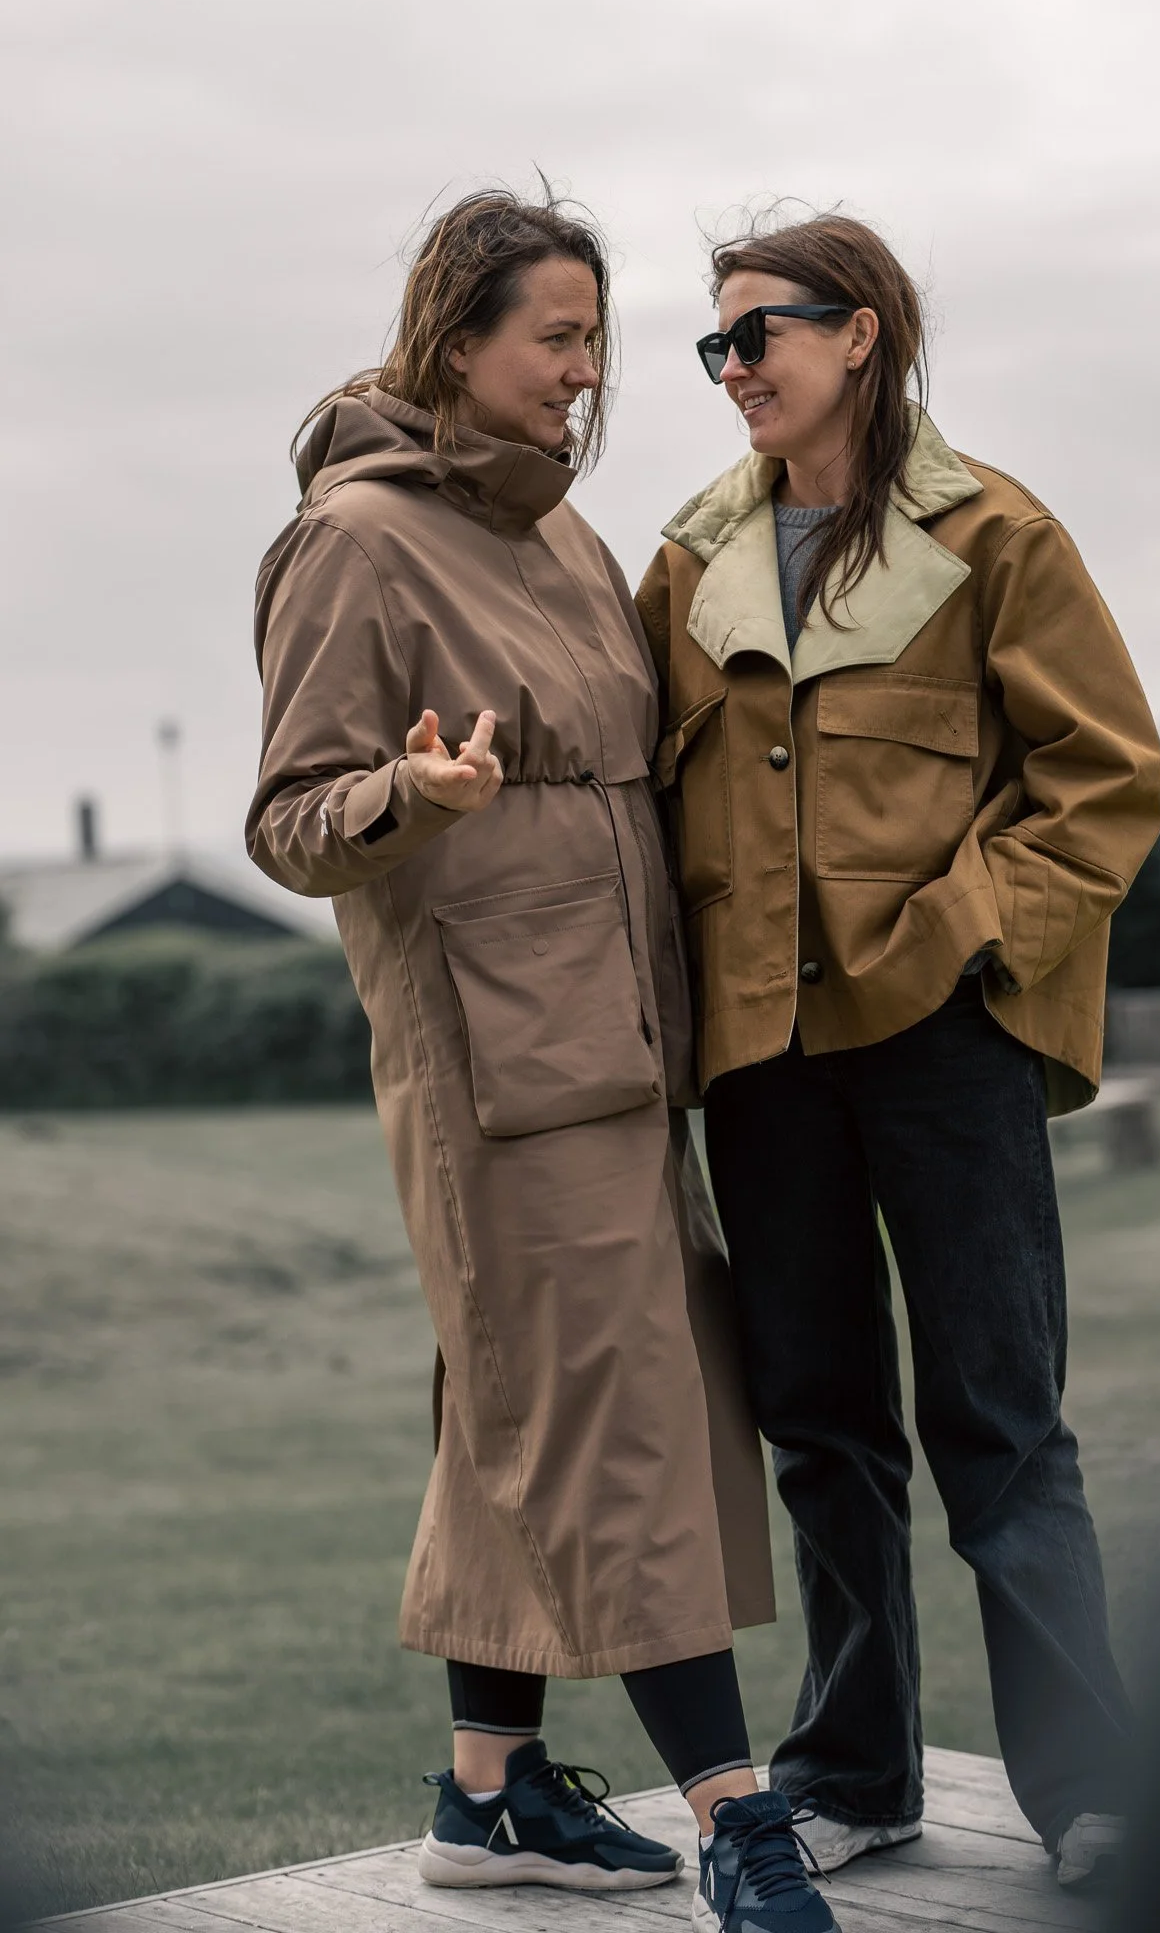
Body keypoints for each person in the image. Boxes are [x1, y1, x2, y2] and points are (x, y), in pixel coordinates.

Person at [247, 187, 838, 1933]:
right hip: (494, 1062)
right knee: (621, 1419)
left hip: (622, 1047)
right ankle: (741, 1819)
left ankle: (485, 1797)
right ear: (454, 341)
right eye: (553, 339)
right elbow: (291, 818)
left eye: (597, 339)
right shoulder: (353, 541)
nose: (586, 374)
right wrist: (403, 797)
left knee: (527, 1396)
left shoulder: (567, 542)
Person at [636, 212, 1160, 1893]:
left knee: (1001, 1422)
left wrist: (964, 941)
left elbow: (1105, 780)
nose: (734, 370)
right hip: (765, 1060)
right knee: (818, 1423)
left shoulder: (996, 536)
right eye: (713, 346)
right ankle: (855, 1771)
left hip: (947, 1044)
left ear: (858, 333)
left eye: (758, 334)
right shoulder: (685, 565)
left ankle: (1091, 1789)